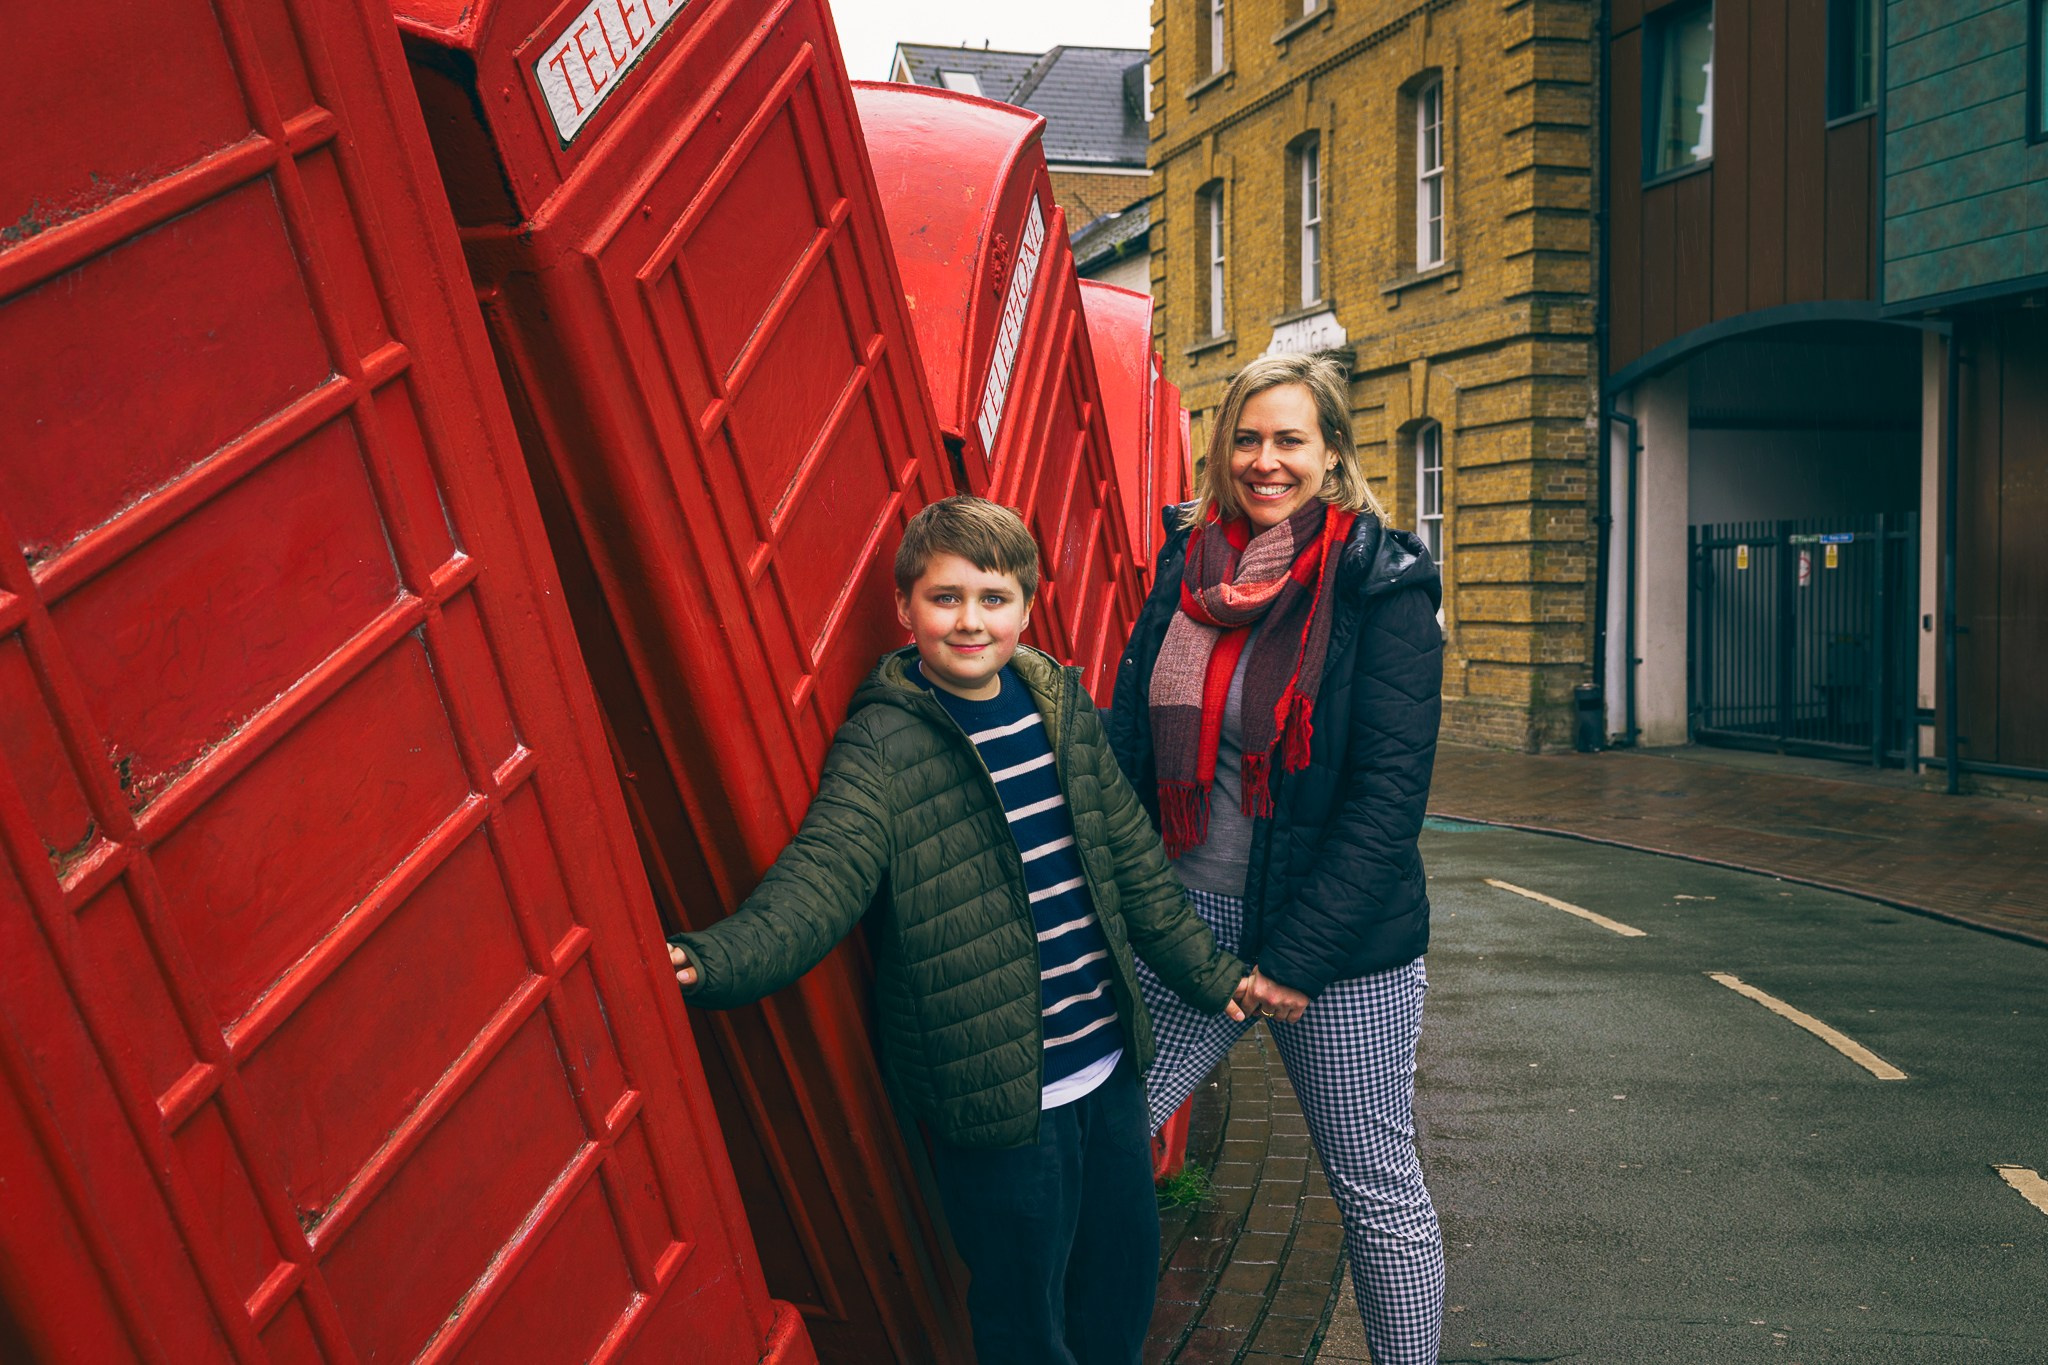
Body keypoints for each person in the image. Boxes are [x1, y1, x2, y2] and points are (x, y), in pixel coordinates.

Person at [664, 495, 1297, 1365]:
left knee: (1119, 1283)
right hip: (999, 1095)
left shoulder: (1059, 704)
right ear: (904, 609)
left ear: (1026, 605)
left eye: (993, 598)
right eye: (945, 597)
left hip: (1107, 1068)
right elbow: (819, 880)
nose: (970, 621)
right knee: (1022, 1314)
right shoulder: (883, 742)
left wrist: (1214, 975)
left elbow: (1133, 863)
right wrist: (707, 963)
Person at [1107, 353, 1447, 1365]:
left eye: (1289, 439)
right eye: (1246, 439)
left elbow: (1385, 801)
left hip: (1334, 957)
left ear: (1332, 453)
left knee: (1374, 1193)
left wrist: (1295, 961)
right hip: (1184, 928)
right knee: (1098, 1150)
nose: (1265, 461)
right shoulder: (1186, 564)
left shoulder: (1381, 587)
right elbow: (1128, 741)